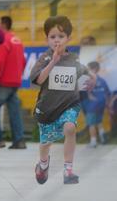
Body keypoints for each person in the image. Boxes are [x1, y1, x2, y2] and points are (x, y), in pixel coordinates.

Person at [30, 15, 95, 185]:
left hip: (69, 105)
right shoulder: (44, 58)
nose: (56, 41)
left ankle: (68, 170)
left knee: (70, 128)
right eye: (52, 37)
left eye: (61, 36)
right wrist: (53, 61)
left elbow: (85, 70)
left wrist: (93, 78)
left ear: (68, 38)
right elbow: (38, 80)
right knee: (46, 143)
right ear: (47, 40)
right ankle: (43, 163)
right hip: (47, 109)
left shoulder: (74, 59)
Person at [0, 16, 27, 149]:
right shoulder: (17, 40)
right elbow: (23, 61)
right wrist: (17, 76)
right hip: (15, 81)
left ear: (4, 25)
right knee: (14, 110)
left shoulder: (3, 39)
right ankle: (19, 140)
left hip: (3, 82)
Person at [80, 61, 110, 147]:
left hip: (92, 105)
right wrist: (107, 104)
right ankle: (103, 138)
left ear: (94, 69)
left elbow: (81, 90)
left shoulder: (87, 79)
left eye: (88, 69)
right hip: (101, 104)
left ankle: (93, 142)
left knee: (91, 124)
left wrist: (89, 95)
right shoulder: (102, 80)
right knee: (99, 121)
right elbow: (107, 93)